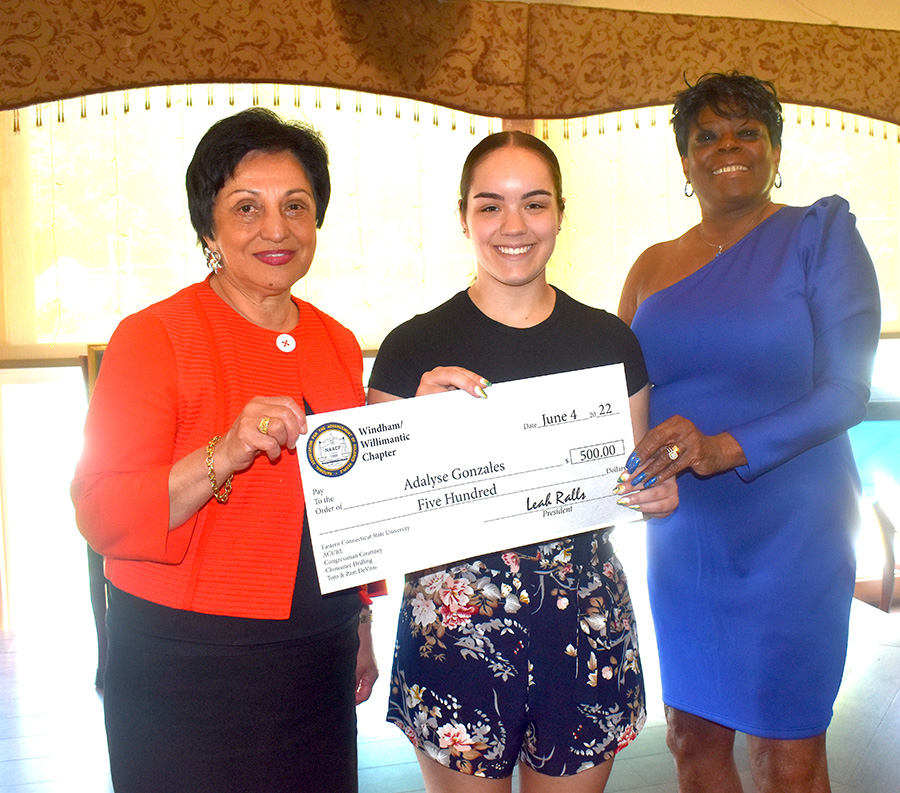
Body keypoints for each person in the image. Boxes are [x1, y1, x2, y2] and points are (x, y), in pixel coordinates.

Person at [71, 108, 380, 793]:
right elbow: (99, 509)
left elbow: (347, 496)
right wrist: (226, 451)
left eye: (296, 206)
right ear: (208, 228)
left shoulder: (335, 340)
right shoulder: (154, 337)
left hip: (317, 649)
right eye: (247, 207)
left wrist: (359, 619)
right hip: (185, 660)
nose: (276, 229)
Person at [368, 131, 678, 792]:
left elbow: (630, 481)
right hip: (456, 637)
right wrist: (413, 430)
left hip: (583, 629)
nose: (513, 226)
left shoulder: (611, 342)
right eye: (490, 205)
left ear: (561, 213)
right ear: (462, 216)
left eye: (534, 204)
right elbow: (382, 518)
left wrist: (654, 494)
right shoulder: (411, 349)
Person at [617, 72, 881, 793]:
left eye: (747, 132)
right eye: (706, 135)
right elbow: (616, 399)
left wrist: (720, 446)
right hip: (686, 531)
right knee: (690, 737)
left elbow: (845, 392)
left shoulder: (820, 234)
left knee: (785, 746)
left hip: (795, 524)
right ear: (683, 162)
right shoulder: (650, 266)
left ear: (774, 150)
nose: (726, 146)